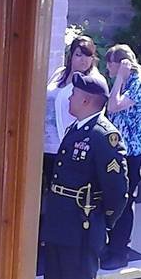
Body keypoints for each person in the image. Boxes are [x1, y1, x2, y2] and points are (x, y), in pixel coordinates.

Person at [33, 72, 130, 279]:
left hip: (84, 225)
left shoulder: (103, 136)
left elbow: (117, 190)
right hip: (62, 222)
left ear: (87, 100)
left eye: (74, 95)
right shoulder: (78, 129)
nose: (70, 100)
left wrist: (102, 222)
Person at [100, 44, 141, 270]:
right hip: (118, 150)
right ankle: (110, 247)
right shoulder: (125, 84)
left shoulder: (138, 84)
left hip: (131, 153)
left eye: (110, 63)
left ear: (121, 63)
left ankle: (120, 252)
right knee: (113, 199)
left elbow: (113, 107)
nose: (106, 67)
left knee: (126, 201)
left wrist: (120, 78)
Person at [44, 36, 105, 187]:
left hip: (69, 145)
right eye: (79, 55)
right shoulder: (60, 73)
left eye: (88, 55)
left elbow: (96, 116)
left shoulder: (94, 81)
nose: (84, 60)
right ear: (71, 56)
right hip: (45, 142)